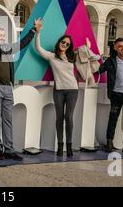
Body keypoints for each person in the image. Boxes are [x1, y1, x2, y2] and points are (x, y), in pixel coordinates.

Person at [0, 2, 42, 160]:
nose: (1, 37)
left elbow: (22, 43)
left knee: (8, 119)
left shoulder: (7, 49)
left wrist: (34, 30)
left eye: (2, 35)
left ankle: (9, 148)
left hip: (7, 88)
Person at [35, 20, 96, 157]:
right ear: (59, 43)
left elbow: (90, 57)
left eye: (68, 44)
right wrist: (38, 33)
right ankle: (60, 146)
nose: (65, 45)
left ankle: (69, 146)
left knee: (69, 117)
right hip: (59, 90)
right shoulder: (52, 56)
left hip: (72, 90)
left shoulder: (71, 56)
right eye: (63, 42)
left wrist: (88, 47)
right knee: (59, 117)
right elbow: (38, 48)